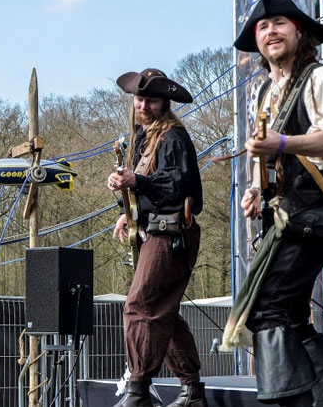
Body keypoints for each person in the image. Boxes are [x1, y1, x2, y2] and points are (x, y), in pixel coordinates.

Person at [228, 0, 323, 406]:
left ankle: (288, 401)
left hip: (317, 215)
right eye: (263, 27)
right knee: (290, 313)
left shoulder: (321, 79)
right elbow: (263, 154)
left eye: (280, 23)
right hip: (287, 217)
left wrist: (282, 142)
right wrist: (254, 190)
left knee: (268, 308)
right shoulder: (268, 92)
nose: (271, 31)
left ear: (299, 33)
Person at [108, 68, 207, 407]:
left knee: (140, 307)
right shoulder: (145, 138)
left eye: (150, 100)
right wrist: (128, 209)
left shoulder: (173, 137)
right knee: (163, 311)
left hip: (173, 233)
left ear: (164, 102)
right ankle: (192, 390)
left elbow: (177, 187)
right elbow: (150, 190)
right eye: (139, 98)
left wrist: (137, 182)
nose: (143, 105)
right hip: (157, 230)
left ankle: (138, 389)